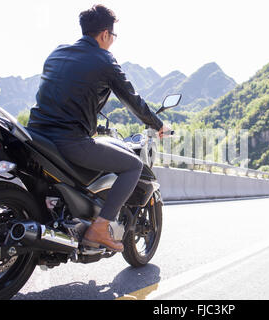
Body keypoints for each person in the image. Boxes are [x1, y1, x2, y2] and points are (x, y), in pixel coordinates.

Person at [27, 5, 171, 252]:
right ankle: (100, 227)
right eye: (114, 36)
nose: (113, 41)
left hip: (35, 135)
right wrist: (158, 125)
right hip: (69, 142)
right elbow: (132, 100)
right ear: (105, 34)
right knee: (133, 166)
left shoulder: (57, 52)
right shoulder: (105, 60)